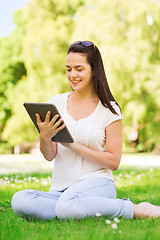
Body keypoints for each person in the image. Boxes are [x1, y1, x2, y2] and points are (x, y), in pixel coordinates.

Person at [11, 41, 160, 221]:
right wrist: (44, 137)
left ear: (94, 70)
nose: (72, 75)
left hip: (97, 183)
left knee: (67, 206)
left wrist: (74, 146)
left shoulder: (109, 109)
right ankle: (74, 210)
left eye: (79, 69)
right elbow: (50, 155)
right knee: (20, 199)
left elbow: (113, 161)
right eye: (68, 69)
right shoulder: (56, 103)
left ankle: (134, 209)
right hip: (61, 190)